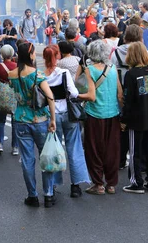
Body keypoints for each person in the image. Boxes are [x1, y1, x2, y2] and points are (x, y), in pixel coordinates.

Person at [7, 42, 56, 207]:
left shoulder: (11, 74)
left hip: (20, 119)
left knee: (27, 159)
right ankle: (48, 193)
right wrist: (53, 119)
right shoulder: (37, 74)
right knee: (46, 156)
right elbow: (50, 97)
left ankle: (32, 195)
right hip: (40, 120)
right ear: (30, 54)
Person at [43, 45, 90, 198]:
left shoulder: (41, 75)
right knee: (74, 148)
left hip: (52, 116)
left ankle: (54, 183)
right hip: (67, 113)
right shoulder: (63, 73)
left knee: (55, 149)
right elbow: (74, 92)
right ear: (57, 56)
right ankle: (75, 185)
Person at [79, 40, 123, 195]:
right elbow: (120, 93)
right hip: (113, 114)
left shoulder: (89, 69)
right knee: (112, 149)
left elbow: (91, 96)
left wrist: (76, 95)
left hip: (95, 114)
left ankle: (98, 184)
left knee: (94, 150)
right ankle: (111, 184)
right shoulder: (112, 68)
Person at [120, 42, 148, 193]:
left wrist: (124, 119)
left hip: (136, 119)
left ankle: (136, 182)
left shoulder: (130, 74)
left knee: (135, 151)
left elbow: (128, 99)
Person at [0, 45, 18, 155]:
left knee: (0, 120)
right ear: (12, 54)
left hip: (2, 96)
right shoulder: (17, 66)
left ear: (1, 54)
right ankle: (15, 147)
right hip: (14, 96)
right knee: (15, 121)